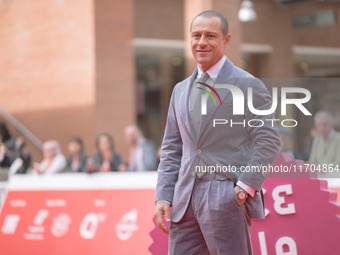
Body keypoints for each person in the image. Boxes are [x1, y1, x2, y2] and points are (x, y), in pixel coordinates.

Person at [154, 10, 280, 255]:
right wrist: (163, 196)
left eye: (210, 36)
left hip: (226, 195)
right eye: (196, 35)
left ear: (227, 40)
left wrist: (244, 187)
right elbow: (172, 147)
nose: (202, 42)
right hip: (183, 199)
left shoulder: (248, 84)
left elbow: (268, 141)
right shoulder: (180, 90)